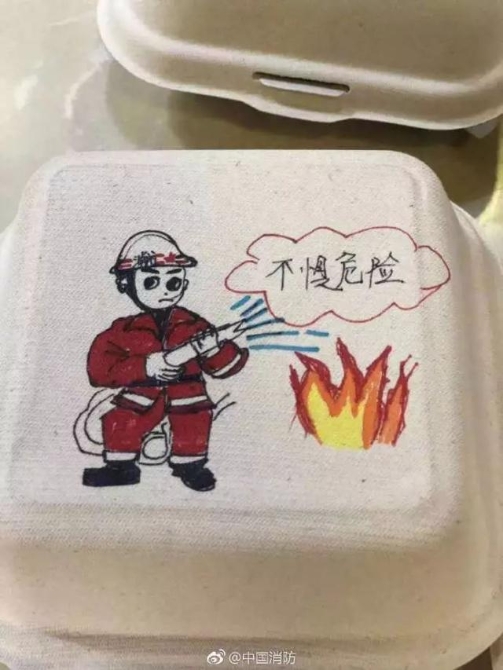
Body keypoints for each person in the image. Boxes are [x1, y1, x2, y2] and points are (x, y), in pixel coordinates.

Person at [83, 230, 248, 492]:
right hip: (142, 393)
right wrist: (145, 366)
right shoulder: (123, 330)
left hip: (188, 393)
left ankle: (191, 466)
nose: (164, 291)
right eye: (151, 282)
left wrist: (214, 349)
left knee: (194, 420)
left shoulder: (193, 324)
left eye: (173, 282)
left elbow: (224, 368)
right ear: (126, 284)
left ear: (184, 284)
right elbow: (99, 369)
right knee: (120, 419)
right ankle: (121, 467)